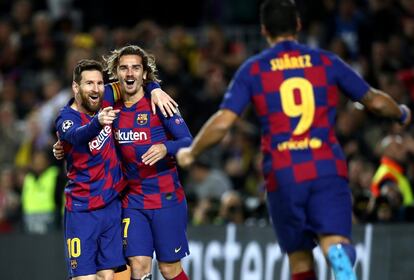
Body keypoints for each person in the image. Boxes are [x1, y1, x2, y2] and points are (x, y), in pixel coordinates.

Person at [176, 1, 411, 280]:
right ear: (298, 24)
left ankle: (331, 255)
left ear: (264, 30)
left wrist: (192, 152)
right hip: (326, 167)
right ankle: (338, 255)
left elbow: (224, 121)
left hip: (283, 172)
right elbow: (373, 100)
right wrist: (401, 112)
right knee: (334, 239)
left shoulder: (254, 70)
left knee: (299, 259)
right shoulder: (325, 61)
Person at [54, 59, 177, 280]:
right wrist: (98, 122)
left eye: (100, 83)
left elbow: (134, 80)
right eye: (89, 83)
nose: (96, 89)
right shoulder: (66, 118)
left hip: (111, 206)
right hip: (82, 210)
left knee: (107, 277)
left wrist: (156, 89)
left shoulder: (105, 98)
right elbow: (75, 135)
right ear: (76, 87)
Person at [103, 45, 191, 280]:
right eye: (123, 68)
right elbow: (84, 96)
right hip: (133, 201)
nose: (129, 73)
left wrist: (166, 147)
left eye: (135, 68)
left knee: (169, 269)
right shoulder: (111, 109)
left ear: (144, 73)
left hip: (166, 198)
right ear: (116, 73)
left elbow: (188, 142)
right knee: (139, 266)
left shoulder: (159, 104)